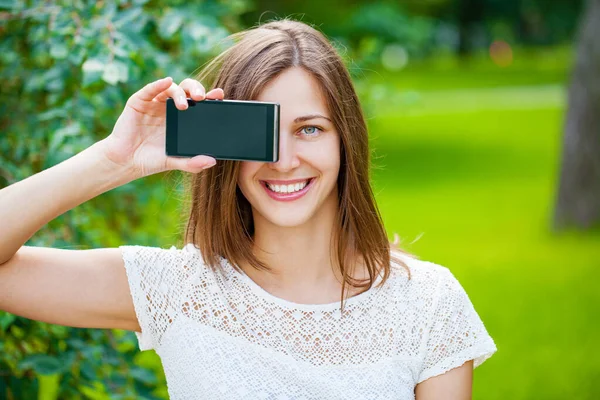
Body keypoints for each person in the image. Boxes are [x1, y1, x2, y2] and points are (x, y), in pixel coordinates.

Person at [0, 18, 496, 400]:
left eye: (310, 129)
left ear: (346, 142)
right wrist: (114, 160)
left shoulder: (428, 304)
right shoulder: (176, 289)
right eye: (263, 134)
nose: (283, 161)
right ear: (226, 146)